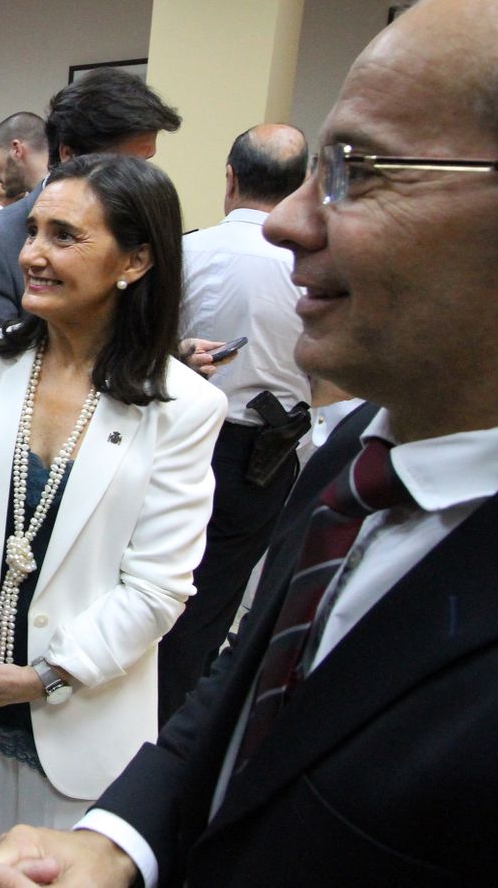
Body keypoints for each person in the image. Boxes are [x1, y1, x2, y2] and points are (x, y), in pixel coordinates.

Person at [0, 0, 498, 888]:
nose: (289, 224)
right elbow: (245, 688)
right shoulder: (357, 451)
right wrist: (123, 839)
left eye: (360, 172)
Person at [0, 155, 224, 887]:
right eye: (32, 231)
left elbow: (157, 591)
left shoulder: (182, 408)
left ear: (137, 258)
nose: (32, 254)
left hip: (77, 708)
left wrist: (41, 677)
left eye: (63, 235)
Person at [155, 123, 312, 721]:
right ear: (299, 188)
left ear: (230, 177)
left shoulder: (186, 251)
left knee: (153, 579)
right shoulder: (308, 267)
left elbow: (146, 352)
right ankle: (174, 721)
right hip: (264, 457)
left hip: (179, 439)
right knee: (215, 597)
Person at [0, 72, 180, 356]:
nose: (32, 255)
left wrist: (172, 361)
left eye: (146, 163)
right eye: (128, 164)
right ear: (70, 155)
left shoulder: (143, 228)